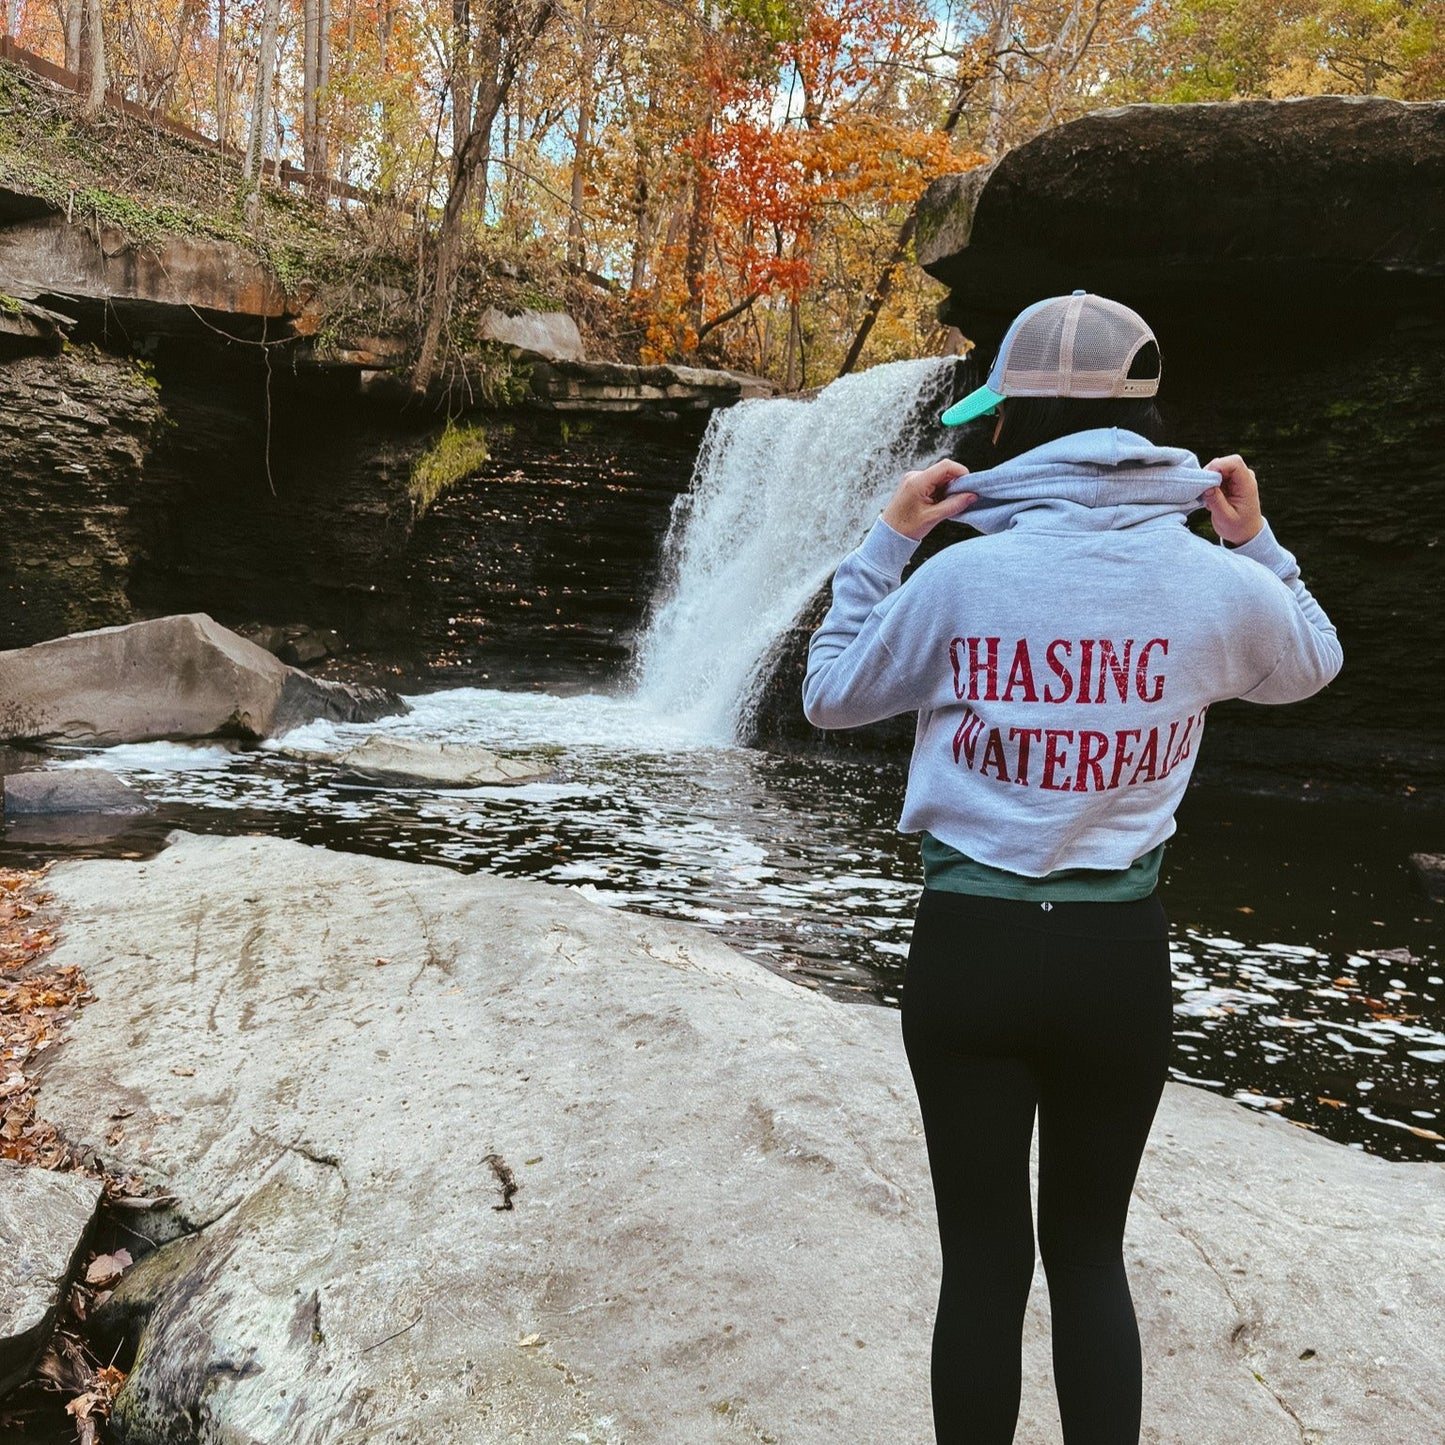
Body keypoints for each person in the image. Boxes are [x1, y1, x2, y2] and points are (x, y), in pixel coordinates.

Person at [801, 291, 1342, 1445]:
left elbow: (827, 694)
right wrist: (1255, 538)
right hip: (1115, 956)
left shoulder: (955, 577)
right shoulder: (1214, 581)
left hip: (970, 947)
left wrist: (889, 539)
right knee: (1089, 1253)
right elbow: (1311, 662)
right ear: (1144, 422)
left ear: (1006, 427)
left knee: (982, 1264)